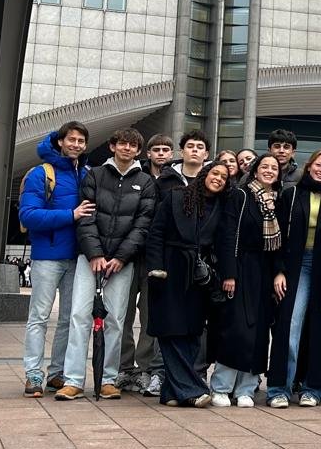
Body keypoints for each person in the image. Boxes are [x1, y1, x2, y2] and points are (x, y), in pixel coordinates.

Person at [55, 127, 156, 400]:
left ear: (138, 151)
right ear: (113, 146)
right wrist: (95, 254)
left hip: (122, 263)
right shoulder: (94, 175)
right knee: (79, 316)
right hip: (89, 259)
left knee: (115, 320)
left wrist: (121, 257)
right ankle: (73, 380)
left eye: (132, 146)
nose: (127, 148)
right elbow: (86, 216)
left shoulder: (145, 182)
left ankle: (108, 379)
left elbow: (142, 224)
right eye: (122, 143)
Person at [267, 149, 321, 407]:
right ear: (309, 166)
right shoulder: (291, 194)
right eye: (318, 165)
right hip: (297, 266)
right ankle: (279, 389)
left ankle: (313, 389)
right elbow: (277, 236)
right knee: (290, 326)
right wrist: (279, 270)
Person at [145, 160, 234, 407]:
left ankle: (171, 393)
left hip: (199, 275)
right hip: (169, 270)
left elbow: (224, 243)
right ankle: (192, 389)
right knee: (171, 330)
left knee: (192, 332)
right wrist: (156, 268)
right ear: (205, 174)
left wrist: (224, 274)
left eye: (224, 177)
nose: (218, 178)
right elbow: (156, 233)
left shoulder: (222, 206)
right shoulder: (176, 196)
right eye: (215, 173)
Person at [20, 121, 94, 395]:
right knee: (39, 317)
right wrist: (71, 215)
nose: (76, 145)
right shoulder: (42, 173)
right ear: (60, 142)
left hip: (78, 258)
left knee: (68, 319)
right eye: (71, 139)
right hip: (48, 256)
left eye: (81, 141)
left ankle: (57, 373)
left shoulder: (86, 173)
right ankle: (33, 374)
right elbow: (28, 215)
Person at [209, 152, 282, 407]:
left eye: (274, 168)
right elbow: (228, 235)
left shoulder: (277, 201)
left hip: (264, 271)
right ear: (255, 170)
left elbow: (280, 245)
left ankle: (247, 389)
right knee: (236, 329)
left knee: (259, 332)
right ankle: (221, 387)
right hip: (240, 267)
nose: (269, 171)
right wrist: (229, 273)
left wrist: (278, 273)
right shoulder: (240, 195)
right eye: (265, 166)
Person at [120, 134, 171, 394]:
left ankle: (145, 369)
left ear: (171, 154)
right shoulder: (135, 177)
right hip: (130, 254)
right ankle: (124, 367)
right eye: (156, 149)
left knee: (150, 315)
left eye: (165, 149)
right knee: (123, 313)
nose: (161, 153)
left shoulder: (174, 181)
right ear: (148, 153)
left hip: (156, 257)